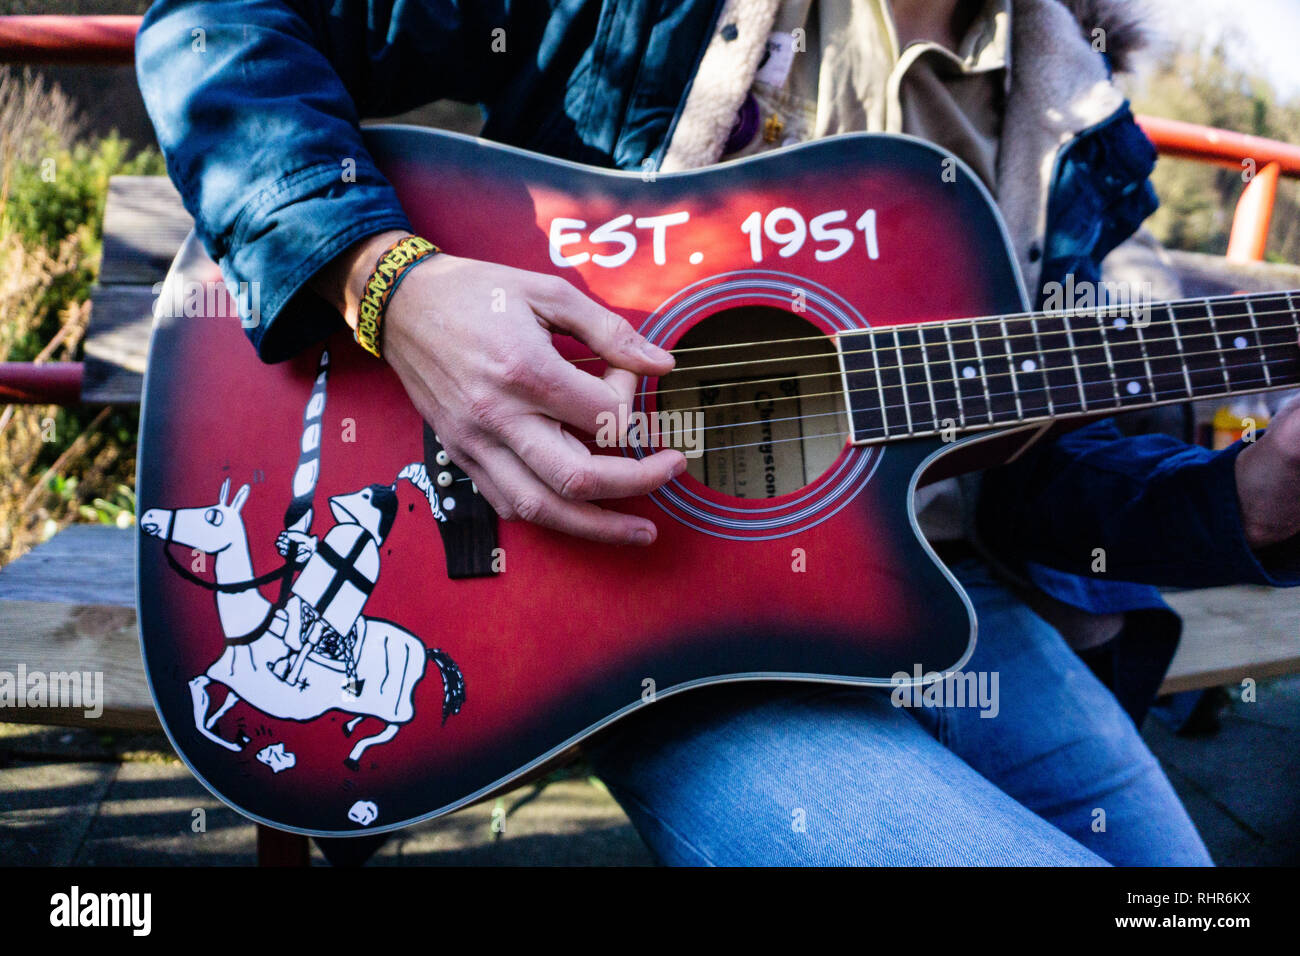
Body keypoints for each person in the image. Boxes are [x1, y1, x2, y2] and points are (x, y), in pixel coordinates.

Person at [136, 0, 1300, 865]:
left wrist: (1243, 496)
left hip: (929, 596)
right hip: (632, 599)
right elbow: (217, 24)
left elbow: (1026, 453)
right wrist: (385, 282)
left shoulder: (1074, 112)